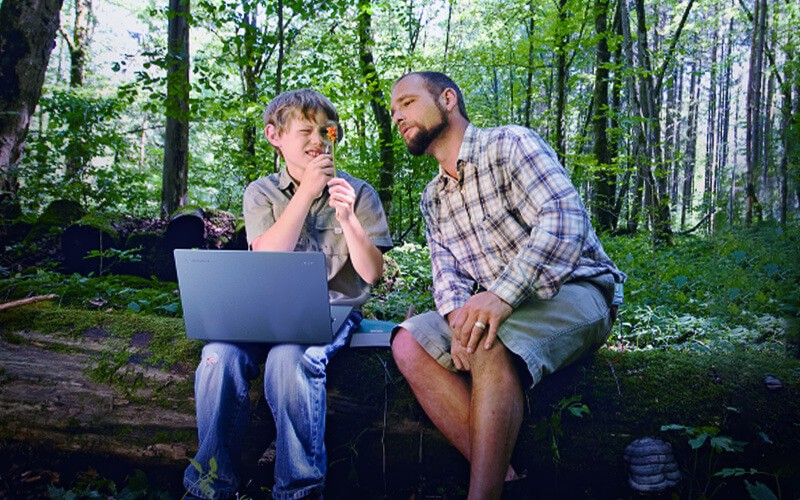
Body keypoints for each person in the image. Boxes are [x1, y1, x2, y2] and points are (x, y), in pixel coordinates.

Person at [389, 71, 626, 499]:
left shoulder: (510, 144)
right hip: (502, 310)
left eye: (406, 102)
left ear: (447, 99)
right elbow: (448, 275)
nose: (397, 116)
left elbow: (563, 218)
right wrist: (456, 319)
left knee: (485, 340)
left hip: (579, 290)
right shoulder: (432, 198)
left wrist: (501, 296)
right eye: (393, 111)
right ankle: (510, 480)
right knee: (408, 342)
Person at [183, 89, 393, 499]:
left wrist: (348, 217)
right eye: (305, 130)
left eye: (325, 131)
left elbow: (372, 273)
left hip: (331, 310)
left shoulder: (359, 191)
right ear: (274, 136)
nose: (318, 139)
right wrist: (305, 193)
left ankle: (298, 489)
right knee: (217, 357)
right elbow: (267, 255)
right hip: (265, 310)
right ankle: (211, 485)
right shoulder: (261, 192)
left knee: (288, 358)